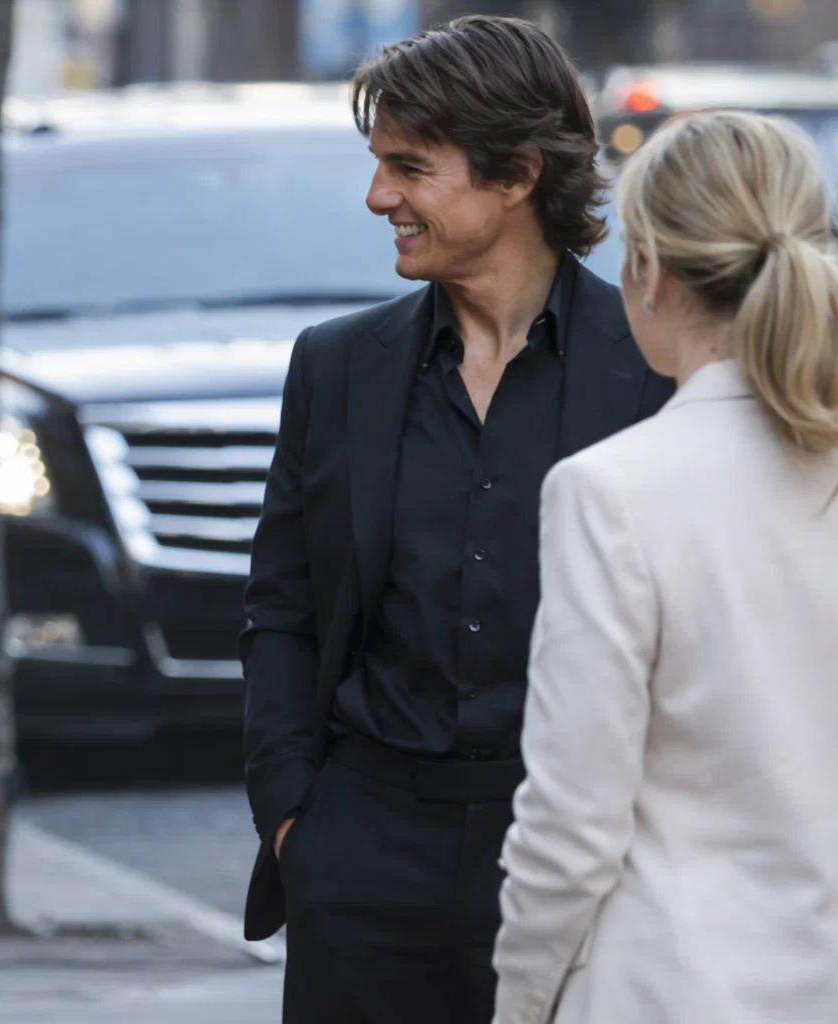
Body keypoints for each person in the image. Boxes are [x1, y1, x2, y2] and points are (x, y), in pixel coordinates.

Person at [239, 15, 674, 1023]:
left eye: (409, 167)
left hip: (583, 855)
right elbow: (282, 609)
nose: (377, 196)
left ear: (517, 174)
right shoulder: (337, 365)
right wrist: (296, 819)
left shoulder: (653, 366)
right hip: (361, 856)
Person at [492, 111, 838, 1024]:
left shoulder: (609, 493)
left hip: (672, 987)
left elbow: (571, 825)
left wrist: (521, 1000)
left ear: (650, 269)